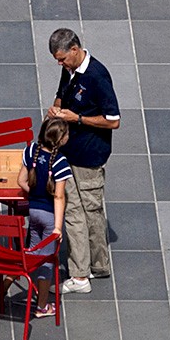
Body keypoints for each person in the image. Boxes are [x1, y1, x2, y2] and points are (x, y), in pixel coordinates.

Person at [44, 28, 121, 291]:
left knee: (79, 213)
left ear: (75, 50)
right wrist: (56, 109)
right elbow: (61, 94)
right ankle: (97, 265)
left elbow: (113, 120)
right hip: (69, 151)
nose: (60, 64)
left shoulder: (97, 76)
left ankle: (79, 276)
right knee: (87, 211)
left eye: (62, 58)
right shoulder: (70, 69)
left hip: (89, 156)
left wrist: (76, 118)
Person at [19, 116, 72, 317]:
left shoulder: (31, 151)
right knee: (47, 260)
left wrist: (35, 195)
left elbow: (21, 180)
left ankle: (5, 285)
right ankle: (42, 306)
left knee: (32, 254)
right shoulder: (60, 163)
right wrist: (57, 227)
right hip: (49, 217)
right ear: (60, 140)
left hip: (33, 212)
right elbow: (59, 196)